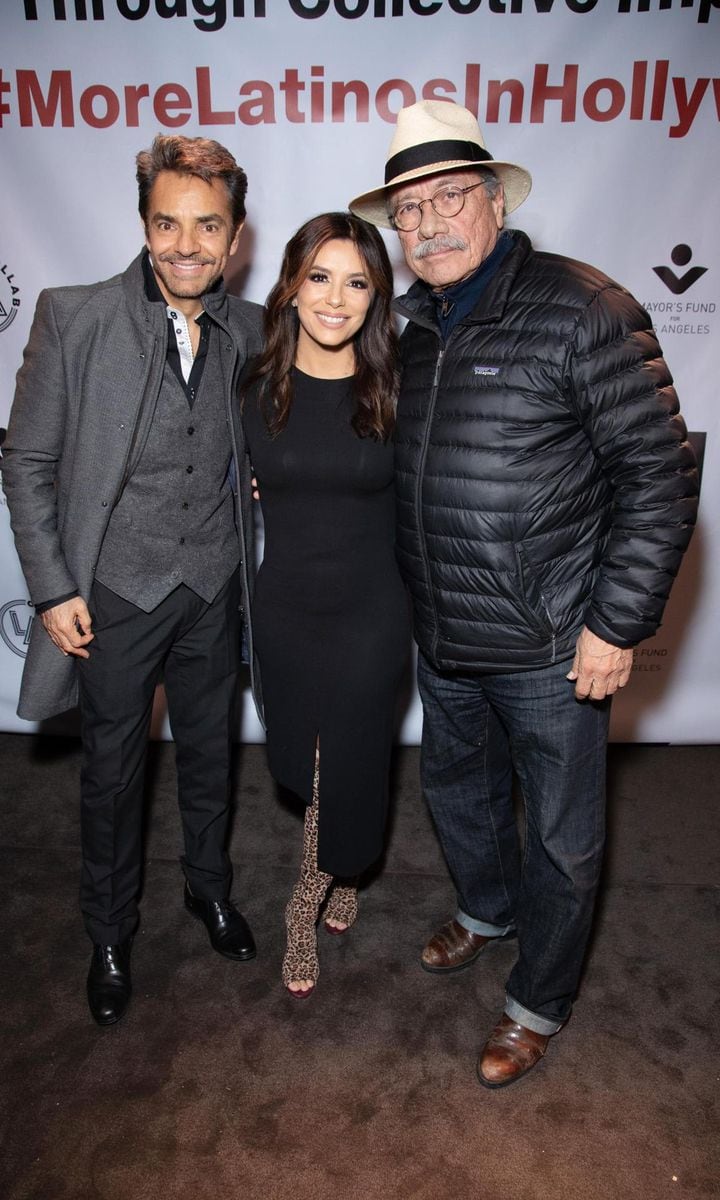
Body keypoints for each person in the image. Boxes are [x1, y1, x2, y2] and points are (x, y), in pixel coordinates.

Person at [349, 101, 699, 1086]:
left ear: (495, 200)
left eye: (448, 197)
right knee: (455, 791)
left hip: (553, 641)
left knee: (562, 831)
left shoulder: (585, 307)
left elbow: (660, 474)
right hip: (444, 632)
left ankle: (539, 1000)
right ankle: (487, 910)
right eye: (406, 211)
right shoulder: (408, 323)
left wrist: (616, 620)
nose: (426, 226)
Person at [3, 135, 264, 1027]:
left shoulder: (259, 327)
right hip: (112, 592)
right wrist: (49, 588)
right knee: (111, 775)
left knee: (209, 758)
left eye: (208, 226)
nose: (187, 245)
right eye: (168, 223)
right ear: (144, 225)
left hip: (215, 585)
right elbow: (27, 460)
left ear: (234, 237)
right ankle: (109, 934)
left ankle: (208, 888)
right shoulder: (74, 316)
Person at [241, 212, 409, 998]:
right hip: (285, 612)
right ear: (291, 285)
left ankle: (303, 900)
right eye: (319, 277)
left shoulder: (398, 385)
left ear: (377, 298)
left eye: (357, 282)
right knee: (305, 767)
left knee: (347, 763)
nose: (335, 299)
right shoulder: (254, 384)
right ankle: (341, 870)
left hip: (372, 617)